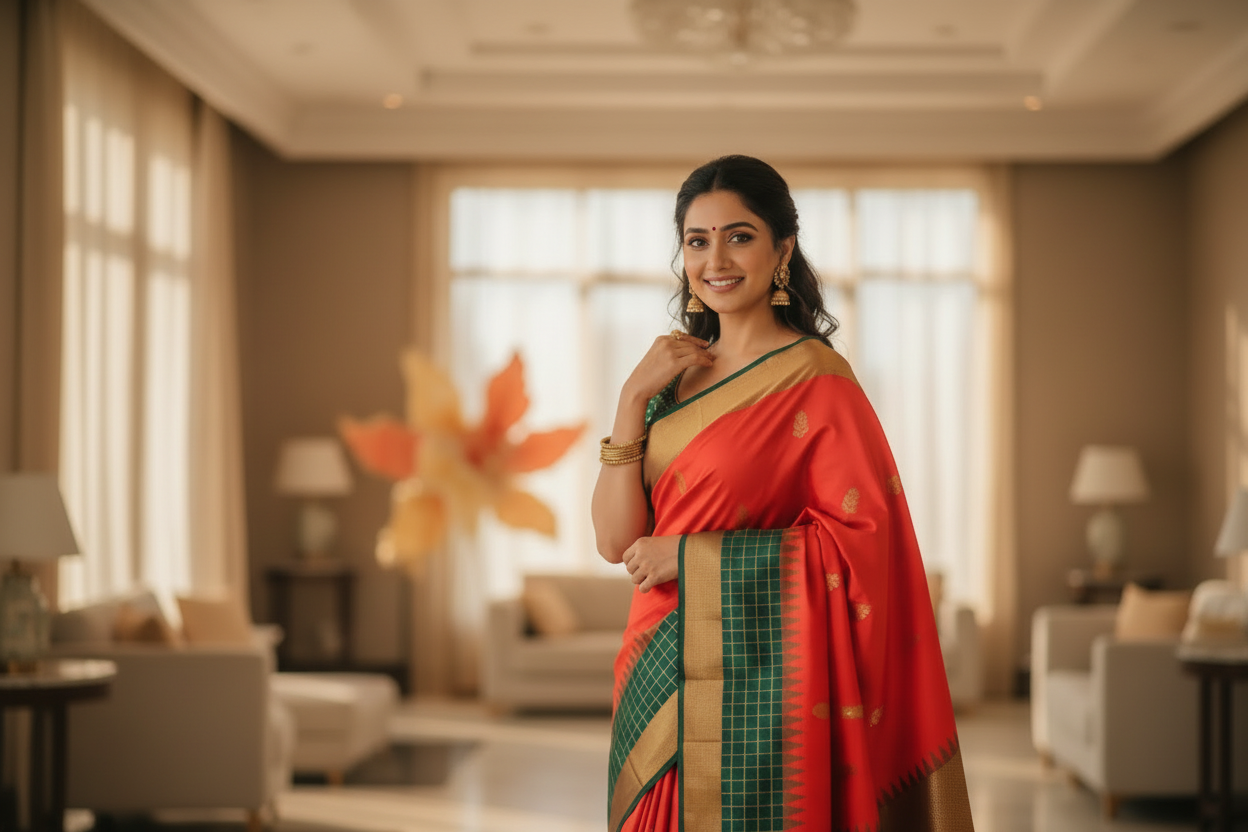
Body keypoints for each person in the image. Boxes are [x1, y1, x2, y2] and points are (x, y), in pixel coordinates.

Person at [591, 155, 975, 832]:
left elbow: (862, 544)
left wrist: (689, 557)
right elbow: (616, 542)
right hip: (656, 658)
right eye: (697, 240)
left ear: (783, 249)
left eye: (739, 236)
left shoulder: (816, 381)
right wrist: (629, 400)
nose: (717, 259)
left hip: (760, 683)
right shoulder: (670, 380)